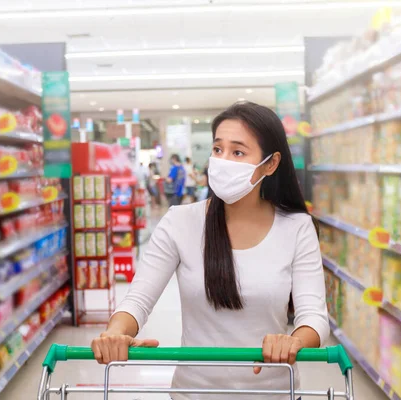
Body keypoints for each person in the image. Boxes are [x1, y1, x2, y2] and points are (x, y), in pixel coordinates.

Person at [90, 102, 328, 400]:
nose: (223, 161)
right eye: (218, 150)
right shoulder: (180, 221)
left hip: (272, 393)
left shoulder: (297, 228)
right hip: (194, 392)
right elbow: (137, 300)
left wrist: (294, 342)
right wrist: (116, 331)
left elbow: (314, 318)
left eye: (238, 152)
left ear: (270, 163)